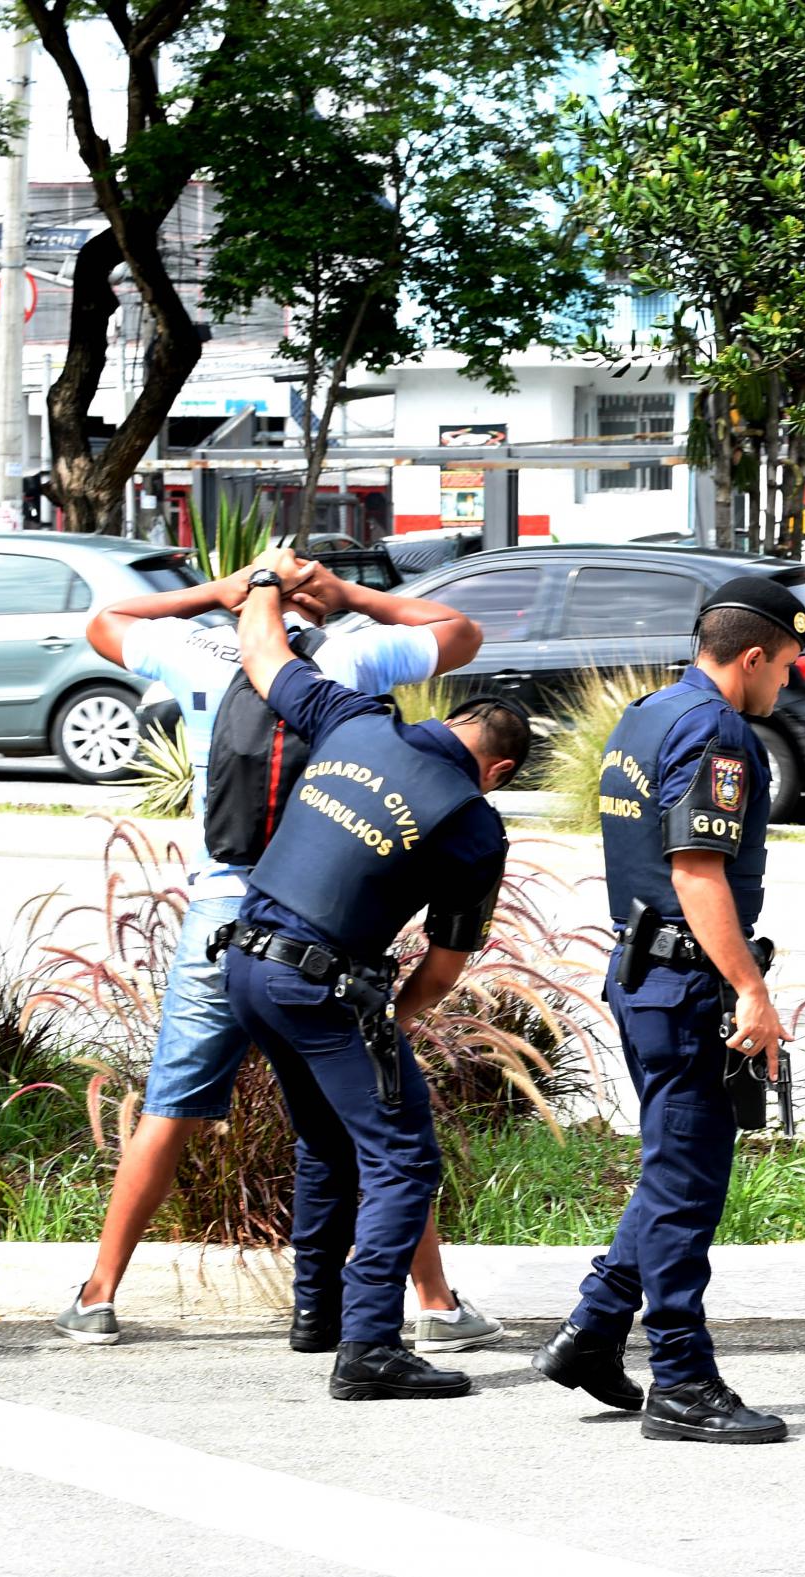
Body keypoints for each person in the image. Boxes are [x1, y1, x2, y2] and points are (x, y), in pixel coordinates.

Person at [55, 551, 500, 1356]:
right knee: (377, 1108)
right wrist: (349, 593)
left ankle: (98, 1295)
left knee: (170, 1107)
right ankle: (433, 1301)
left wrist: (219, 594)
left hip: (220, 917)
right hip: (322, 918)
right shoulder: (353, 658)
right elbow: (461, 634)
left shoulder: (195, 653)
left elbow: (102, 623)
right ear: (312, 605)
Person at [217, 557, 530, 1400]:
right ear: (497, 772)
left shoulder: (356, 722)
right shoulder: (472, 826)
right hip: (322, 986)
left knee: (324, 1139)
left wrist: (262, 589)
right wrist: (388, 1018)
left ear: (454, 722)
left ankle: (318, 1315)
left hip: (245, 964)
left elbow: (264, 659)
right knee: (402, 1156)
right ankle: (371, 1350)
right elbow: (443, 966)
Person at [529, 576, 805, 1445]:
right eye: (786, 667)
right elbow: (696, 870)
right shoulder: (718, 731)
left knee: (670, 1167)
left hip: (643, 971)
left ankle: (594, 1328)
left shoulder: (647, 714)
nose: (786, 685)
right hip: (686, 981)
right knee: (687, 1187)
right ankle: (682, 1381)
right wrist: (752, 992)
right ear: (753, 656)